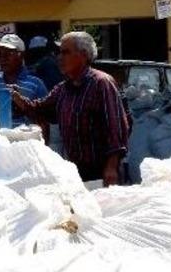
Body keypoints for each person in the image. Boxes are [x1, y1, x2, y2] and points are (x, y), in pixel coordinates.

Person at [12, 32, 130, 186]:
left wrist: (111, 166)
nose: (59, 58)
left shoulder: (101, 83)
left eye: (65, 52)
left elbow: (116, 128)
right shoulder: (63, 88)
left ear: (84, 55)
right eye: (59, 53)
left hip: (102, 170)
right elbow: (41, 109)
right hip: (75, 169)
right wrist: (19, 100)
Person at [0, 34, 48, 128]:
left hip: (26, 140)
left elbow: (45, 119)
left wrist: (23, 105)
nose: (3, 58)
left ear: (21, 55)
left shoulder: (36, 84)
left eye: (8, 54)